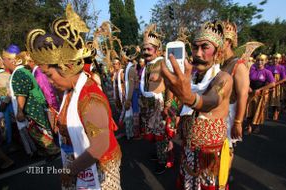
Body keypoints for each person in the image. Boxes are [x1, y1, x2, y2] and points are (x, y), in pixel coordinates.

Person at [26, 4, 121, 189]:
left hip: (99, 169)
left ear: (66, 67)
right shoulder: (71, 91)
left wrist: (70, 170)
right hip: (80, 165)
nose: (48, 81)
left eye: (49, 75)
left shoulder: (90, 99)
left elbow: (99, 146)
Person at [162, 21, 233, 190]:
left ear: (218, 52)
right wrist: (172, 107)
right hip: (189, 149)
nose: (198, 53)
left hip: (209, 154)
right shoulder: (192, 79)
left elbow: (210, 101)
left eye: (205, 47)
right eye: (195, 47)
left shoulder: (224, 78)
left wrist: (188, 97)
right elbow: (184, 107)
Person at [140, 24, 174, 174]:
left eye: (149, 49)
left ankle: (163, 160)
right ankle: (159, 154)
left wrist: (167, 106)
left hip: (160, 107)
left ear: (157, 50)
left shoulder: (163, 63)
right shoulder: (147, 66)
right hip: (149, 106)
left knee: (161, 135)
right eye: (144, 49)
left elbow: (170, 86)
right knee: (154, 134)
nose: (146, 52)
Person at [221, 21, 249, 148]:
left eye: (221, 40)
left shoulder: (239, 65)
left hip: (230, 113)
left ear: (229, 42)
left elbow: (243, 95)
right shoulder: (219, 63)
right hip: (216, 112)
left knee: (227, 148)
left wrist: (238, 122)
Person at [19, 51, 60, 134]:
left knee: (56, 131)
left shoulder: (38, 73)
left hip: (51, 106)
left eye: (24, 63)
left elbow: (47, 91)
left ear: (30, 61)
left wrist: (53, 108)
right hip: (48, 105)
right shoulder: (35, 72)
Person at [246, 54, 275, 134]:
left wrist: (260, 89)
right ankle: (249, 126)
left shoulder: (267, 72)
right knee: (249, 110)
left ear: (265, 61)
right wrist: (248, 86)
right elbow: (246, 79)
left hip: (260, 95)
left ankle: (256, 126)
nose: (259, 62)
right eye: (258, 60)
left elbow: (272, 84)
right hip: (250, 93)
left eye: (262, 60)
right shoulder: (251, 70)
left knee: (258, 111)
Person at [265, 53, 286, 120]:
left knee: (276, 100)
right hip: (268, 85)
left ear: (280, 59)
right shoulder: (268, 67)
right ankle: (266, 114)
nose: (275, 60)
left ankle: (275, 112)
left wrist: (276, 83)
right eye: (274, 58)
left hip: (277, 87)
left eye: (277, 58)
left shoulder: (281, 67)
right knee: (266, 100)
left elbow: (284, 78)